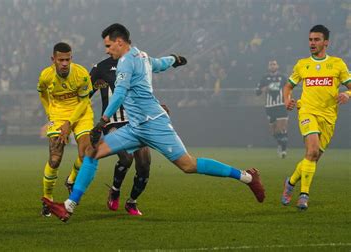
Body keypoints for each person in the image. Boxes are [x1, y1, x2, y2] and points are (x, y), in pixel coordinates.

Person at [43, 23, 265, 222]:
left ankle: (246, 177)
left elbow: (119, 94)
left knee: (188, 165)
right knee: (92, 152)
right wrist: (175, 59)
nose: (107, 50)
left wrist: (102, 122)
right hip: (134, 127)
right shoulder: (143, 56)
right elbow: (160, 63)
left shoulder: (126, 63)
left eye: (109, 46)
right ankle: (69, 206)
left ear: (119, 42)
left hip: (154, 124)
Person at [281, 25, 350, 210]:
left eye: (316, 40)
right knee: (311, 151)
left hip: (328, 117)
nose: (312, 43)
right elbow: (287, 86)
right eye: (310, 40)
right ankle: (304, 195)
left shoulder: (337, 64)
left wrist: (347, 94)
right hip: (307, 112)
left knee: (312, 157)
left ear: (326, 42)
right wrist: (287, 100)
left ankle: (291, 181)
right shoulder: (302, 64)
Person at [37, 42, 94, 217]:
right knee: (54, 159)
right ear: (53, 59)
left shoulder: (81, 74)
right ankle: (48, 200)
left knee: (86, 155)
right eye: (60, 59)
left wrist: (69, 122)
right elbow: (42, 92)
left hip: (81, 114)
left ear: (71, 58)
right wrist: (50, 114)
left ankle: (71, 180)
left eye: (67, 59)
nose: (64, 63)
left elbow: (84, 101)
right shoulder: (46, 75)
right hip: (58, 115)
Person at [90, 56, 151, 216]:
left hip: (137, 120)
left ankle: (132, 201)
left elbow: (144, 91)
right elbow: (85, 94)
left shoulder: (137, 64)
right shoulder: (101, 67)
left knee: (144, 165)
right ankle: (115, 191)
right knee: (126, 158)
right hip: (112, 121)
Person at [255, 60, 289, 158]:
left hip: (281, 105)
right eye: (271, 64)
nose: (272, 66)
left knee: (282, 128)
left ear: (277, 66)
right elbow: (257, 91)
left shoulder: (283, 77)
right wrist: (263, 89)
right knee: (274, 131)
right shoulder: (264, 78)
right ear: (268, 66)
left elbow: (289, 88)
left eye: (274, 64)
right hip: (270, 107)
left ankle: (284, 150)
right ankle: (280, 144)